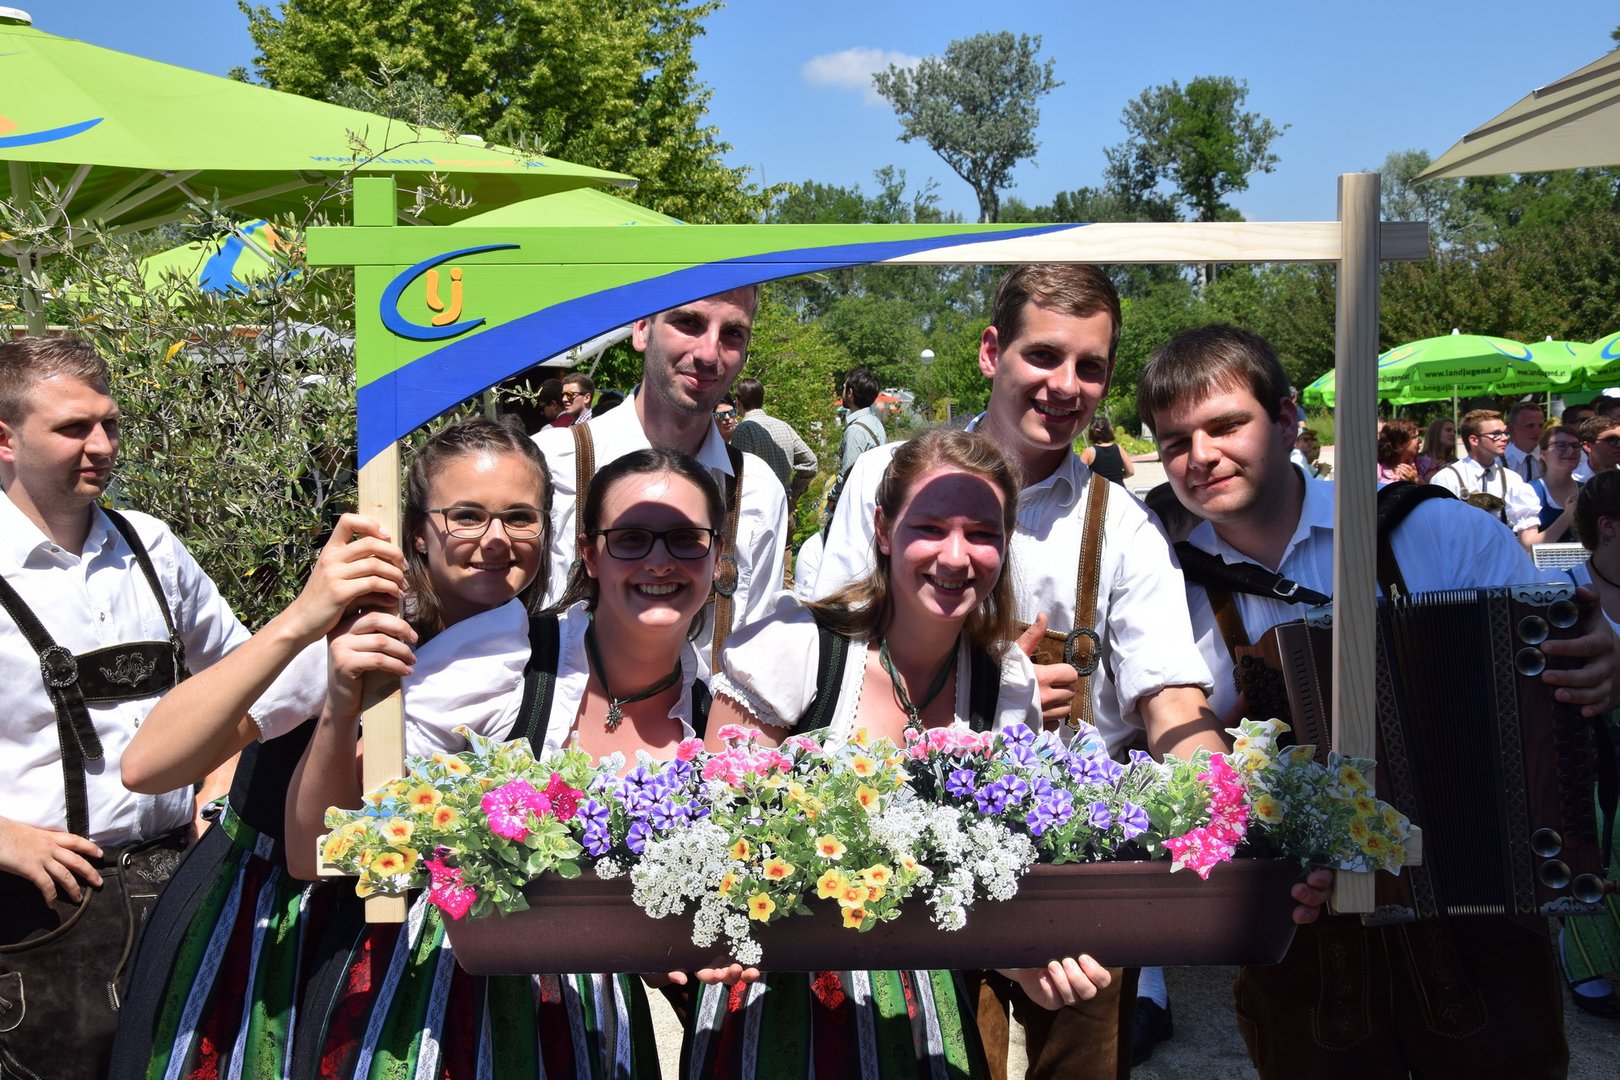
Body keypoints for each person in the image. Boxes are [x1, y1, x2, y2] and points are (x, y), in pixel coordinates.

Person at [1137, 322, 1620, 1080]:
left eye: (1226, 425)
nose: (1201, 456)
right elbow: (1169, 743)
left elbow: (1560, 659)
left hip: (1480, 917)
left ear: (1288, 418)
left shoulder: (1437, 528)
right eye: (1175, 442)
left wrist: (1603, 656)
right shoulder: (1166, 583)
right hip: (1303, 936)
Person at [813, 264, 1231, 1080]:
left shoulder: (1124, 524)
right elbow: (834, 658)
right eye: (1043, 355)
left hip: (1076, 869)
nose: (1065, 385)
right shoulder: (886, 477)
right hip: (912, 847)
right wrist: (991, 691)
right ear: (990, 352)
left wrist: (1235, 816)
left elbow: (1173, 701)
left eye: (1090, 366)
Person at [283, 435, 725, 1077]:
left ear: (717, 555)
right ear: (589, 554)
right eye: (631, 539)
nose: (660, 560)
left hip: (591, 1023)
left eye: (686, 539)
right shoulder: (506, 658)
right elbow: (315, 851)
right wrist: (339, 708)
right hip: (439, 1003)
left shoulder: (717, 716)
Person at [685, 429, 1114, 1078]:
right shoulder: (796, 649)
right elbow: (710, 842)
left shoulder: (1005, 684)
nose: (956, 556)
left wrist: (1025, 960)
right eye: (931, 528)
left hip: (925, 1008)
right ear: (883, 529)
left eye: (982, 533)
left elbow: (985, 886)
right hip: (777, 1007)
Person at [0, 336, 325, 1079]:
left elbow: (251, 681)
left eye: (109, 423)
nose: (102, 445)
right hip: (33, 915)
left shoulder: (149, 546)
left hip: (177, 881)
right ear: (4, 438)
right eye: (73, 428)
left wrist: (220, 783)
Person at [533, 288, 790, 669]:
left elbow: (757, 663)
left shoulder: (756, 490)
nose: (709, 354)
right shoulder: (552, 466)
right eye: (688, 322)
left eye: (733, 333)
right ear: (641, 329)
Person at [1559, 470, 1620, 1019]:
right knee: (1592, 826)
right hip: (1579, 740)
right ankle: (1589, 958)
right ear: (1609, 527)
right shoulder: (1562, 581)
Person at [1428, 408, 1544, 548]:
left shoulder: (1512, 479)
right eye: (1496, 434)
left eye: (1505, 433)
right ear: (1474, 440)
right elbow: (1438, 531)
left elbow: (1526, 533)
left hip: (1503, 557)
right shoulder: (1447, 478)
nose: (1504, 438)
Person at [730, 375, 819, 517]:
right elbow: (811, 462)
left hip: (757, 510)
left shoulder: (743, 430)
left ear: (738, 401)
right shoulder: (784, 426)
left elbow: (739, 476)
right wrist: (794, 494)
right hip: (784, 507)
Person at [1530, 423, 1583, 545]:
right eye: (1561, 445)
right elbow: (1529, 545)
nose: (1571, 451)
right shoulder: (1530, 491)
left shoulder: (1588, 489)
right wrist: (1567, 516)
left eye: (1575, 445)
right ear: (1543, 454)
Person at [1079, 414, 1135, 486]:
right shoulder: (1118, 448)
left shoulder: (1089, 452)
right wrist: (1117, 477)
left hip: (1099, 490)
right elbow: (1130, 472)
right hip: (1119, 489)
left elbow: (1078, 474)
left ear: (1091, 432)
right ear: (1109, 431)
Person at [1504, 401, 1546, 482]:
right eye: (1530, 426)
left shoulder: (1550, 458)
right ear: (1511, 429)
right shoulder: (1499, 462)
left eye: (1540, 426)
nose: (1537, 431)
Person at [1375, 418, 1420, 484]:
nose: (1420, 441)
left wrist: (1416, 481)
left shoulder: (1421, 464)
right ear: (1397, 444)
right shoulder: (1377, 470)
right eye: (1414, 437)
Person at [1416, 416, 1456, 481]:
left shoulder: (1455, 462)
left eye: (1454, 432)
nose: (1453, 434)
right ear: (1436, 433)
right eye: (1448, 430)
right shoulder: (1419, 462)